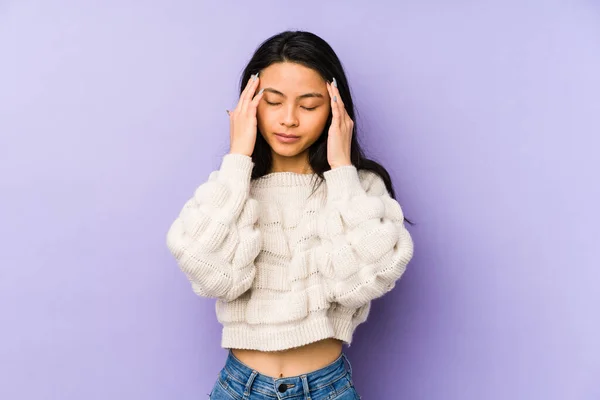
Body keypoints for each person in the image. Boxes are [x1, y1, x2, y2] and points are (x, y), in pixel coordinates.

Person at [166, 30, 414, 400]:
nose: (289, 120)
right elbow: (213, 276)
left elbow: (357, 284)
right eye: (273, 102)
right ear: (250, 105)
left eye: (309, 105)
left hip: (326, 389)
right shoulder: (231, 186)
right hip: (240, 388)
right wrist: (237, 160)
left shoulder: (359, 188)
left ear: (335, 108)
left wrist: (342, 172)